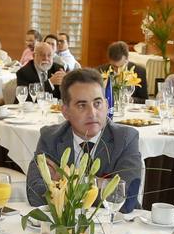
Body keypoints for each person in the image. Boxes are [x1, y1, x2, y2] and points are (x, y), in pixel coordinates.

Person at [25, 68, 144, 213]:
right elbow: (35, 194)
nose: (92, 113)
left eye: (97, 103)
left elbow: (126, 199)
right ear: (65, 111)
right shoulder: (50, 137)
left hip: (117, 228)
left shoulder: (125, 138)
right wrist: (100, 184)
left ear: (106, 105)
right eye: (82, 105)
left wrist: (66, 182)